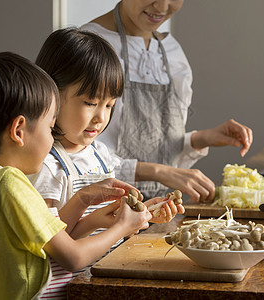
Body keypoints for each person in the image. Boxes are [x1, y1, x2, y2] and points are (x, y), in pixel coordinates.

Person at [0, 51, 152, 300]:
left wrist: (82, 202)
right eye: (49, 128)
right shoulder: (11, 184)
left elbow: (47, 243)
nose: (51, 139)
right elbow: (72, 257)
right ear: (18, 130)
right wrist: (122, 227)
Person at [30, 28, 185, 298]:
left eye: (110, 105)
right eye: (90, 103)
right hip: (63, 293)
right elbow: (53, 242)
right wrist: (121, 226)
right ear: (51, 96)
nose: (101, 117)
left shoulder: (100, 154)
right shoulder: (47, 166)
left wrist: (141, 216)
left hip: (100, 284)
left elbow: (97, 228)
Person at [81, 0, 254, 202]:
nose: (162, 6)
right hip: (103, 213)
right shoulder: (89, 46)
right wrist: (156, 171)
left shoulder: (171, 52)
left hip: (159, 210)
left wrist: (200, 139)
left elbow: (155, 148)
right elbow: (78, 158)